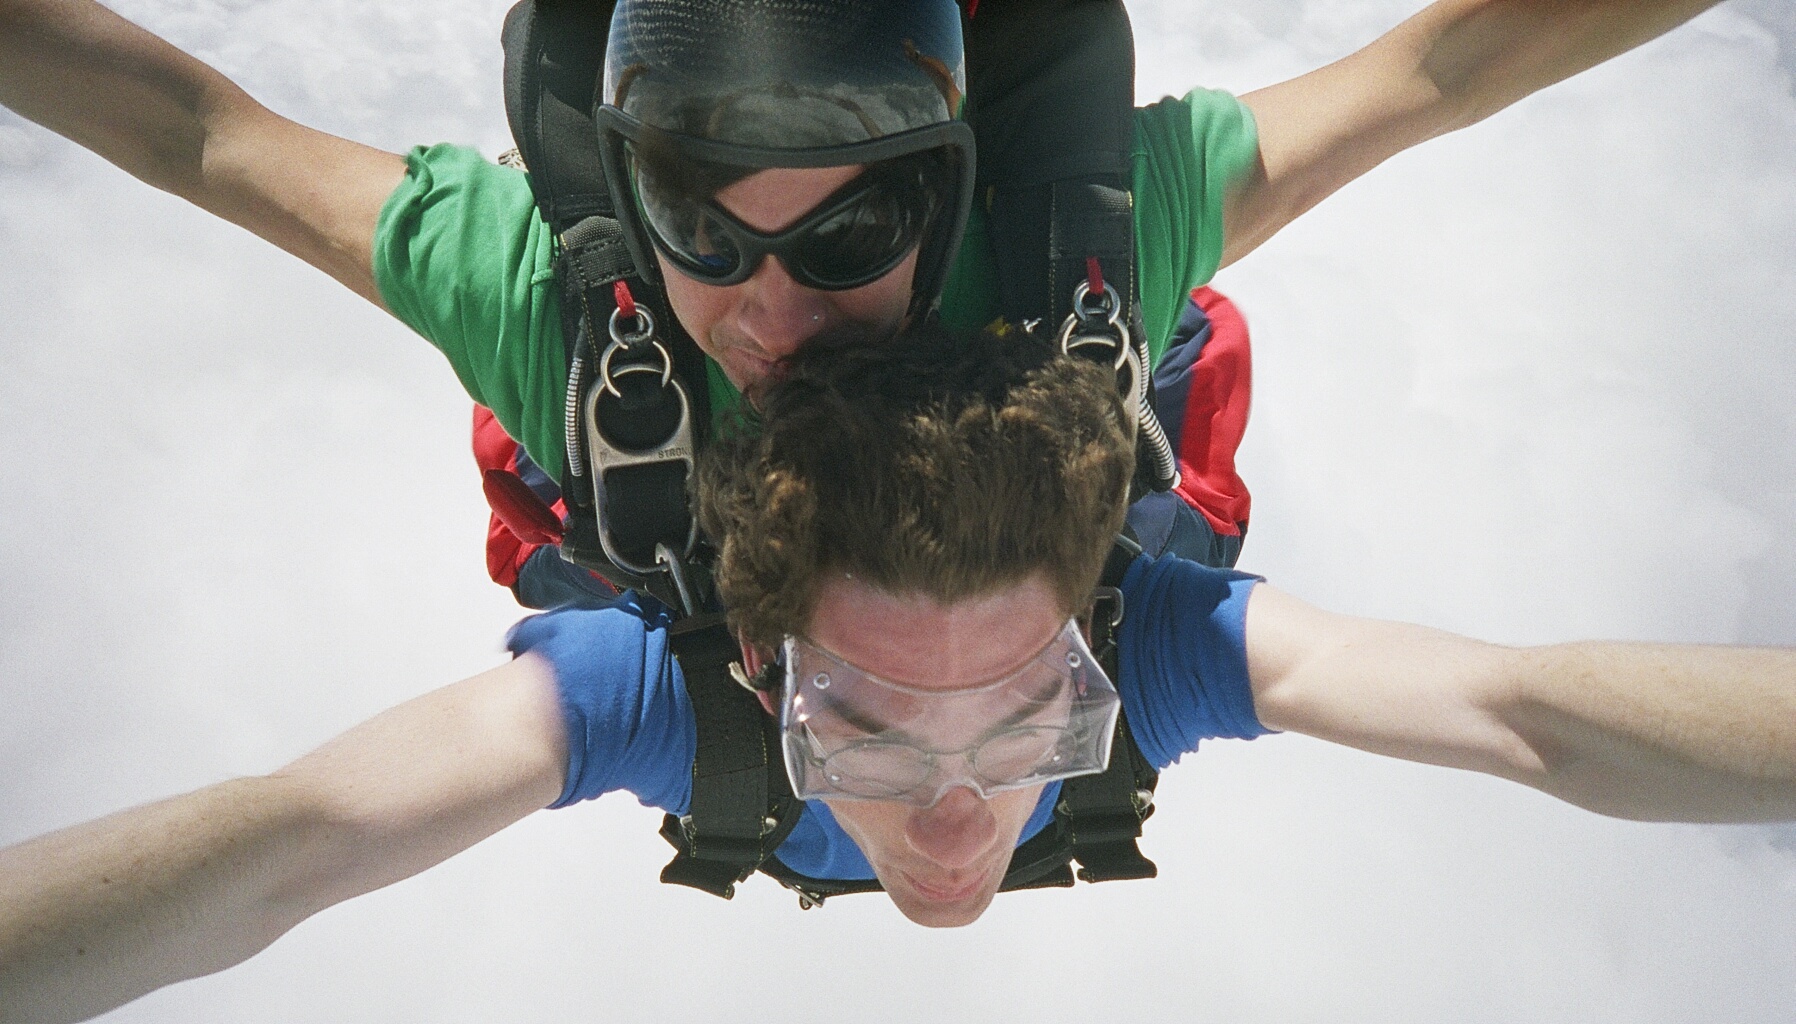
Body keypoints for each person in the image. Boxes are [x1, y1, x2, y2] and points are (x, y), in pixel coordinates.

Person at [2, 320, 1792, 1022]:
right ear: (763, 669)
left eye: (1030, 722)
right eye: (860, 728)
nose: (953, 814)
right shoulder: (666, 694)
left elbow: (1521, 713)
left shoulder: (1142, 650)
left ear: (1082, 661)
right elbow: (297, 836)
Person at [0, 0, 1727, 575]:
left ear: (946, 194)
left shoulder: (1074, 250)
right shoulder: (560, 306)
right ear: (631, 203)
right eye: (702, 231)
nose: (770, 309)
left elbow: (1441, 69)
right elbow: (194, 135)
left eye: (844, 239)